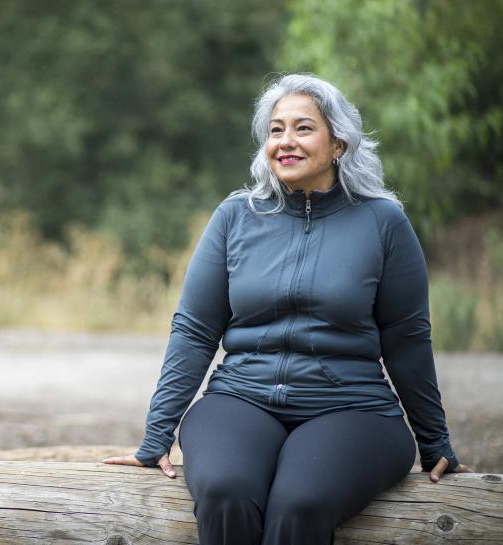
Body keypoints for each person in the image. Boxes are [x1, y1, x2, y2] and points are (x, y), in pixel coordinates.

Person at [103, 73, 473, 545]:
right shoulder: (236, 216)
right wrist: (156, 437)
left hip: (351, 407)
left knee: (300, 503)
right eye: (276, 130)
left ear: (338, 142)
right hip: (241, 397)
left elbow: (407, 339)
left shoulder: (383, 222)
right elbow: (195, 331)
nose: (286, 142)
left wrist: (434, 440)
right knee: (225, 489)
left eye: (303, 128)